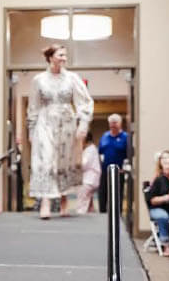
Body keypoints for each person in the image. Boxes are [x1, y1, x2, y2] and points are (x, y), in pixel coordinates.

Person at [27, 45, 94, 219]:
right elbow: (33, 106)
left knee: (64, 160)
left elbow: (84, 101)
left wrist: (83, 123)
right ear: (51, 57)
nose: (64, 58)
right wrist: (31, 129)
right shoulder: (39, 80)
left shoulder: (72, 78)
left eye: (65, 55)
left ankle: (64, 199)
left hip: (67, 123)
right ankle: (46, 202)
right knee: (46, 160)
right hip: (45, 122)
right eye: (61, 55)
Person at [98, 114, 128, 213]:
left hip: (119, 171)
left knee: (117, 193)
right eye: (111, 123)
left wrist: (125, 167)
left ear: (120, 123)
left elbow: (130, 154)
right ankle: (102, 213)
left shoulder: (125, 137)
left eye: (115, 122)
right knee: (103, 192)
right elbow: (100, 152)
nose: (113, 125)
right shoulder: (105, 136)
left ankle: (117, 214)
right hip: (105, 170)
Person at [77, 131, 102, 214]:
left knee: (81, 203)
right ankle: (90, 211)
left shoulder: (90, 150)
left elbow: (84, 164)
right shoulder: (91, 149)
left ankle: (81, 216)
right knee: (88, 202)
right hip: (91, 179)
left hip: (89, 180)